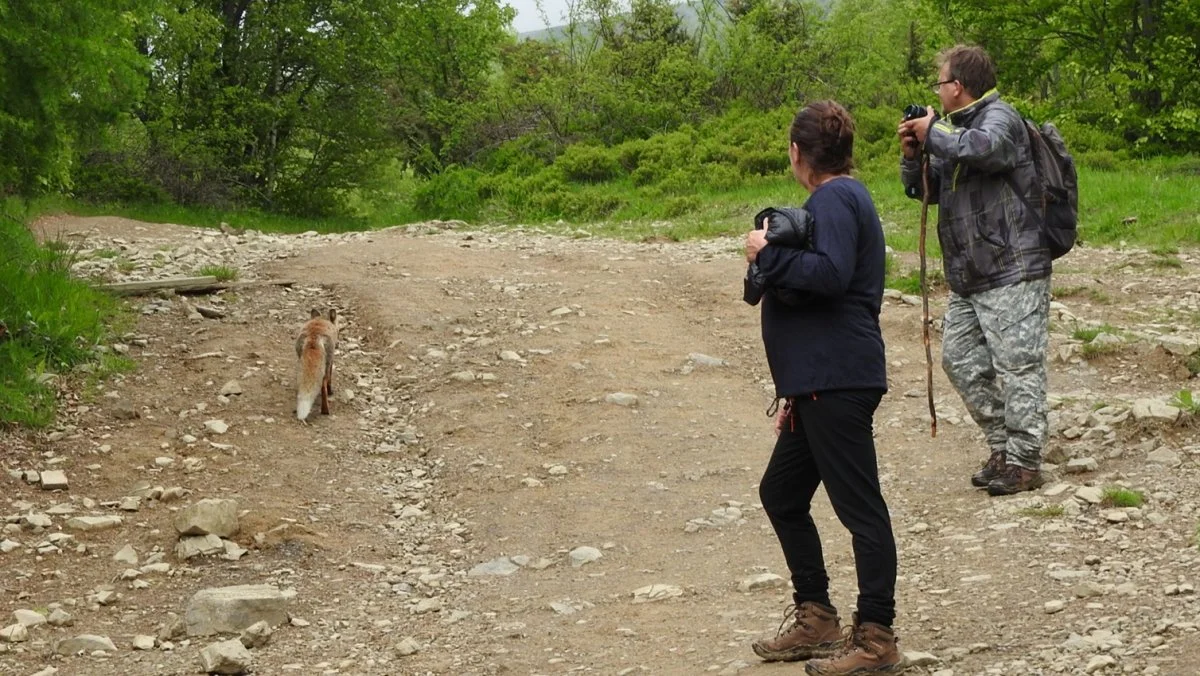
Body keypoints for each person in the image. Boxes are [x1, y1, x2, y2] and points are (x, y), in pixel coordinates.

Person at [745, 100, 901, 675]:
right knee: (781, 494)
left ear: (796, 152)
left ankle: (877, 638)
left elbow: (832, 275)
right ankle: (817, 617)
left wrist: (769, 256)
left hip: (838, 378)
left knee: (861, 510)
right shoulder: (841, 197)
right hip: (819, 381)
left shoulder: (836, 197)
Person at [897, 44, 1051, 497]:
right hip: (970, 273)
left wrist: (934, 134)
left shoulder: (999, 118)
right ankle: (1002, 448)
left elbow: (988, 150)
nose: (938, 91)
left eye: (940, 83)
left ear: (957, 86)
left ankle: (1025, 461)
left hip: (1012, 266)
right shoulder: (950, 130)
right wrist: (914, 154)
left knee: (1019, 366)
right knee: (958, 359)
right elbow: (926, 193)